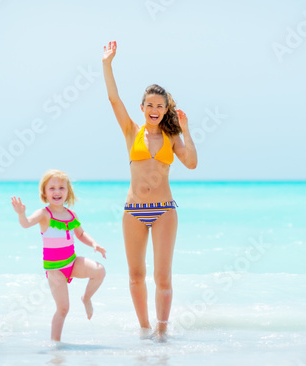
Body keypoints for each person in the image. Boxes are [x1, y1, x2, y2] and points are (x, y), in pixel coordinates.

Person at [102, 40, 198, 340]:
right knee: (135, 276)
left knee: (162, 277)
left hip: (164, 212)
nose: (155, 109)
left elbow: (192, 163)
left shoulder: (171, 135)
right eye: (150, 105)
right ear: (142, 108)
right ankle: (144, 330)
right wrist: (107, 63)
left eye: (160, 105)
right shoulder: (132, 131)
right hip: (133, 211)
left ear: (166, 108)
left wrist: (186, 130)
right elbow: (113, 99)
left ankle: (162, 332)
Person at [11, 169, 106, 342]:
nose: (57, 191)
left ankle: (86, 298)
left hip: (72, 262)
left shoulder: (71, 214)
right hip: (55, 269)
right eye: (52, 188)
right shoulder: (44, 214)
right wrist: (21, 214)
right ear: (44, 193)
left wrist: (94, 243)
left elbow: (80, 234)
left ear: (67, 191)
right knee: (63, 308)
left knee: (99, 271)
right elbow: (26, 224)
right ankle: (55, 344)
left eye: (61, 188)